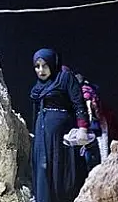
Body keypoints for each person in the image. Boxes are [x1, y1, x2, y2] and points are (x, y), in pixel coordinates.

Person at [30, 48, 90, 202]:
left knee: (61, 170)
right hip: (42, 133)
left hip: (61, 135)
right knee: (43, 170)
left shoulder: (64, 77)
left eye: (45, 65)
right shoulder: (40, 86)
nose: (41, 70)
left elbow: (78, 103)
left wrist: (83, 128)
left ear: (52, 63)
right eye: (37, 66)